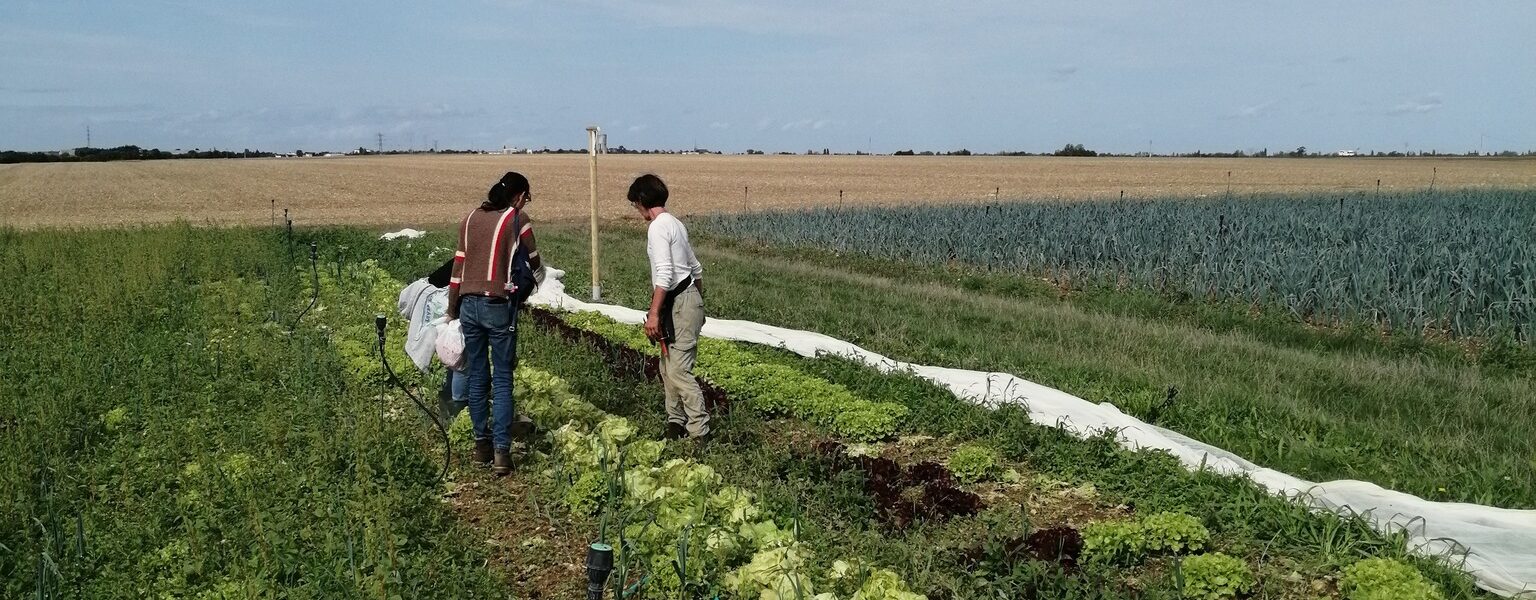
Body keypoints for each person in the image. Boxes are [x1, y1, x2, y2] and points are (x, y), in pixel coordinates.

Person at [446, 171, 544, 475]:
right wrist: (536, 281)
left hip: (469, 304)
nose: (526, 202)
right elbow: (535, 259)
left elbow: (457, 268)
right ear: (518, 196)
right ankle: (502, 452)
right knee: (502, 378)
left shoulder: (470, 218)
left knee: (477, 376)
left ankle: (481, 446)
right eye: (527, 196)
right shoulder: (517, 218)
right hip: (498, 304)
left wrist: (452, 309)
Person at [628, 174, 709, 441]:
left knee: (678, 371)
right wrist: (698, 304)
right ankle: (675, 425)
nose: (636, 210)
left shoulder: (658, 227)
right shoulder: (675, 223)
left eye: (635, 204)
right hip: (683, 301)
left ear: (641, 201)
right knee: (667, 366)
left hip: (680, 302)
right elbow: (695, 268)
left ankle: (699, 433)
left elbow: (664, 274)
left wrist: (653, 314)